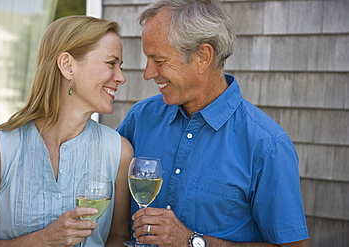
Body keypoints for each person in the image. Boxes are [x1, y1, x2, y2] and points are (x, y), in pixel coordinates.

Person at [117, 0, 309, 246]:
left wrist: (193, 241)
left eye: (159, 60)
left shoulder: (267, 145)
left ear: (203, 56)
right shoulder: (140, 118)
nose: (148, 73)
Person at [0, 16, 133, 246]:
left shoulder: (119, 152)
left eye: (120, 66)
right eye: (111, 63)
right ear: (67, 66)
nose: (121, 77)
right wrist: (41, 240)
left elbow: (118, 237)